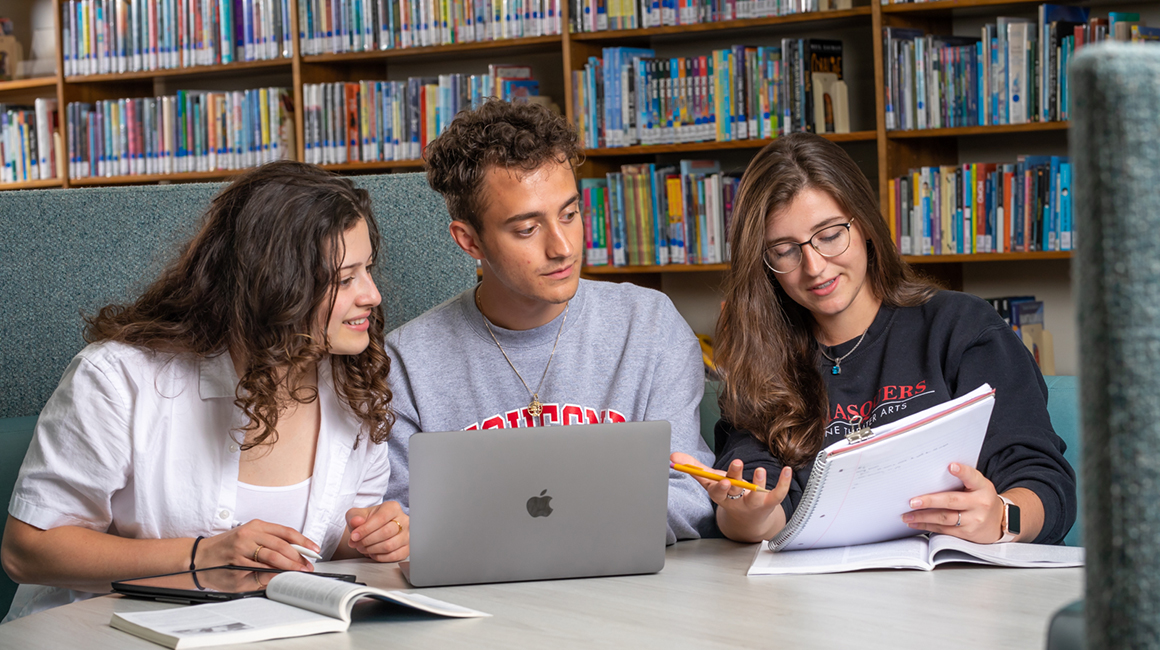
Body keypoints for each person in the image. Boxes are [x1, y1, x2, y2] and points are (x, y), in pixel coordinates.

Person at [1, 162, 409, 621]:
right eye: (343, 278)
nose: (372, 295)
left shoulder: (357, 389)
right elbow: (26, 552)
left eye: (368, 269)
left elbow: (322, 550)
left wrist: (370, 542)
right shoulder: (118, 378)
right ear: (272, 285)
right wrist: (203, 555)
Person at [673, 133, 1076, 545]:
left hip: (968, 587)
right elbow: (764, 505)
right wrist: (750, 515)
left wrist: (1002, 518)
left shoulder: (962, 327)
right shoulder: (761, 361)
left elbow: (1043, 481)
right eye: (785, 250)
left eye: (829, 235)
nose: (814, 267)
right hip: (831, 599)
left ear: (863, 224)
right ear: (764, 262)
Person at [383, 100, 715, 543]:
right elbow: (399, 520)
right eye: (526, 229)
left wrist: (503, 529)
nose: (562, 247)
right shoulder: (407, 360)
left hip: (627, 594)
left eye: (570, 214)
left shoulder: (650, 325)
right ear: (469, 240)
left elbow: (691, 495)